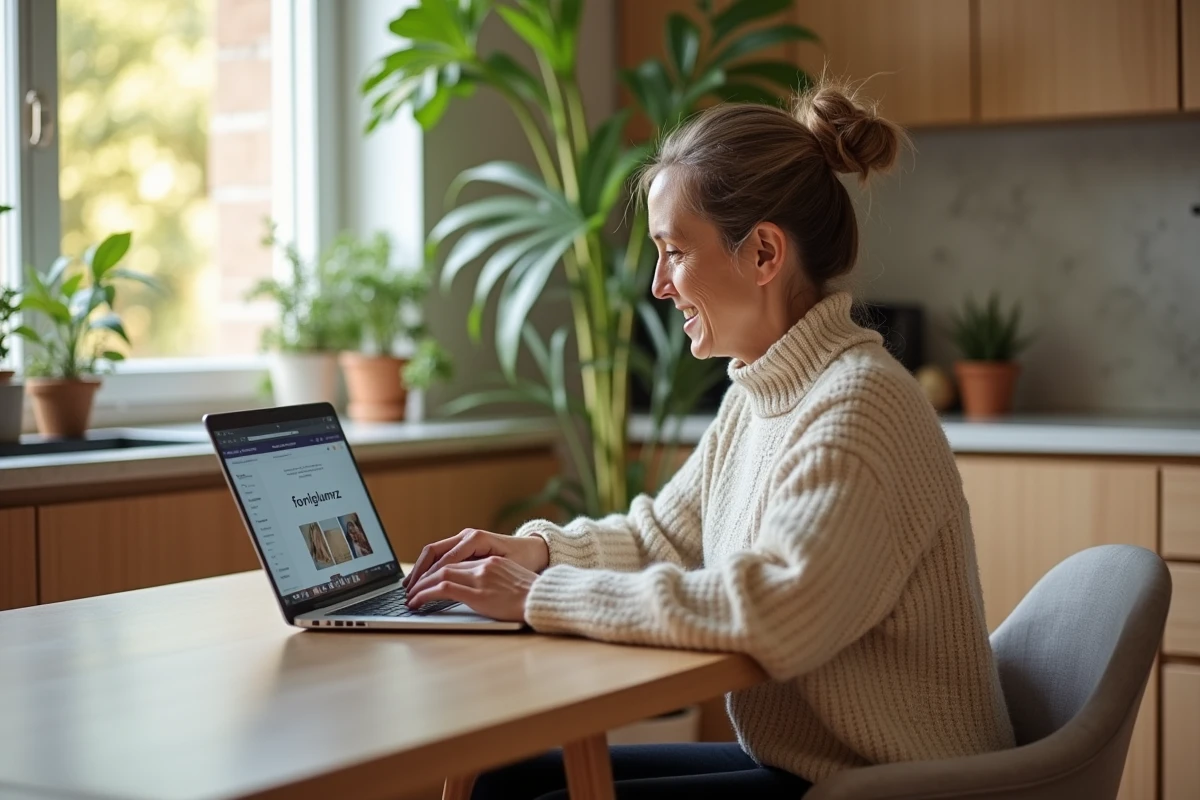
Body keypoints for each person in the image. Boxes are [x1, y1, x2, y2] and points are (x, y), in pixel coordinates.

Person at [403, 80, 1016, 799]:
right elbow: (664, 535)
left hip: (888, 785)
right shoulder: (760, 394)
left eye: (674, 252)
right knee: (506, 779)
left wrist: (542, 594)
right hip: (816, 765)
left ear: (761, 254)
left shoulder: (859, 408)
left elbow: (774, 614)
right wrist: (537, 551)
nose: (660, 286)